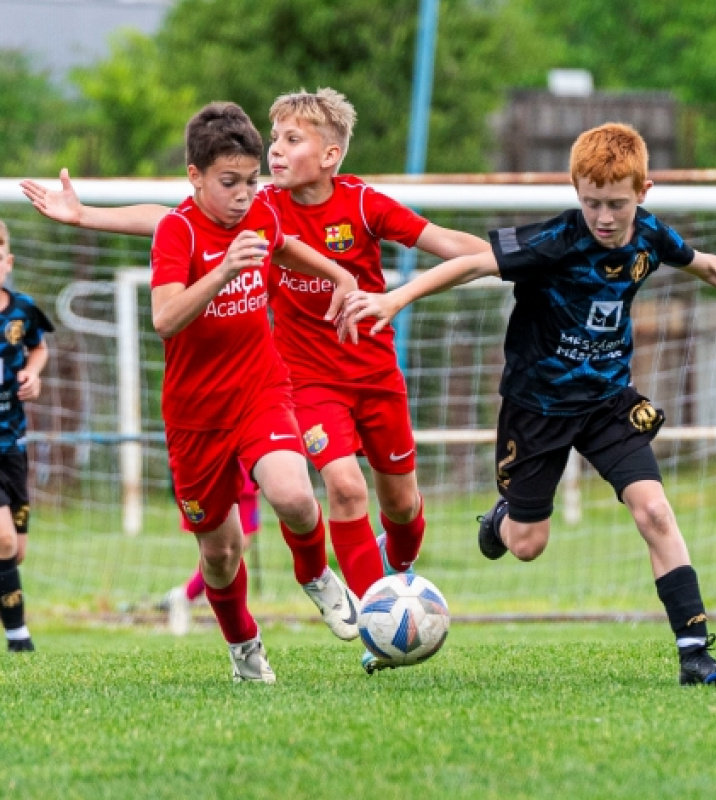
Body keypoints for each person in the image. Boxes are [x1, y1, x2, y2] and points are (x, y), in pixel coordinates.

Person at [21, 87, 490, 674]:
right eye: (272, 142)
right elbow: (166, 258)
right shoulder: (216, 218)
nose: (259, 174)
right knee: (254, 534)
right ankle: (289, 640)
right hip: (244, 399)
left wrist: (360, 283)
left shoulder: (312, 207)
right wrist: (90, 216)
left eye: (286, 144)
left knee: (349, 498)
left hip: (317, 382)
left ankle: (358, 585)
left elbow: (303, 248)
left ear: (331, 154)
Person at [344, 122, 716, 686]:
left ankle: (694, 652)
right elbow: (472, 264)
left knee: (655, 511)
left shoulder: (649, 236)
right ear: (575, 192)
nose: (604, 217)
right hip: (536, 408)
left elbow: (708, 265)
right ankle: (505, 517)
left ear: (643, 192)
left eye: (616, 204)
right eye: (591, 203)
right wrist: (398, 297)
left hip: (609, 402)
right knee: (528, 545)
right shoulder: (556, 240)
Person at [113, 101, 361, 684]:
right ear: (195, 177)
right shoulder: (178, 231)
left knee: (295, 497)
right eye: (230, 183)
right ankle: (244, 646)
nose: (245, 194)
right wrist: (221, 272)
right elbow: (166, 318)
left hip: (260, 388)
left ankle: (316, 576)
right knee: (221, 553)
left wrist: (339, 273)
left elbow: (284, 244)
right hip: (195, 414)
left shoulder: (259, 216)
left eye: (252, 181)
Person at [0, 219, 54, 652]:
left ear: (8, 261)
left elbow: (39, 347)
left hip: (13, 446)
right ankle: (20, 639)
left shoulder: (22, 310)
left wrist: (32, 375)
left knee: (15, 552)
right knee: (1, 540)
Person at [166, 461, 260, 636]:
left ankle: (189, 594)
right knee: (221, 547)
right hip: (217, 466)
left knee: (239, 545)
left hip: (245, 471)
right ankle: (186, 596)